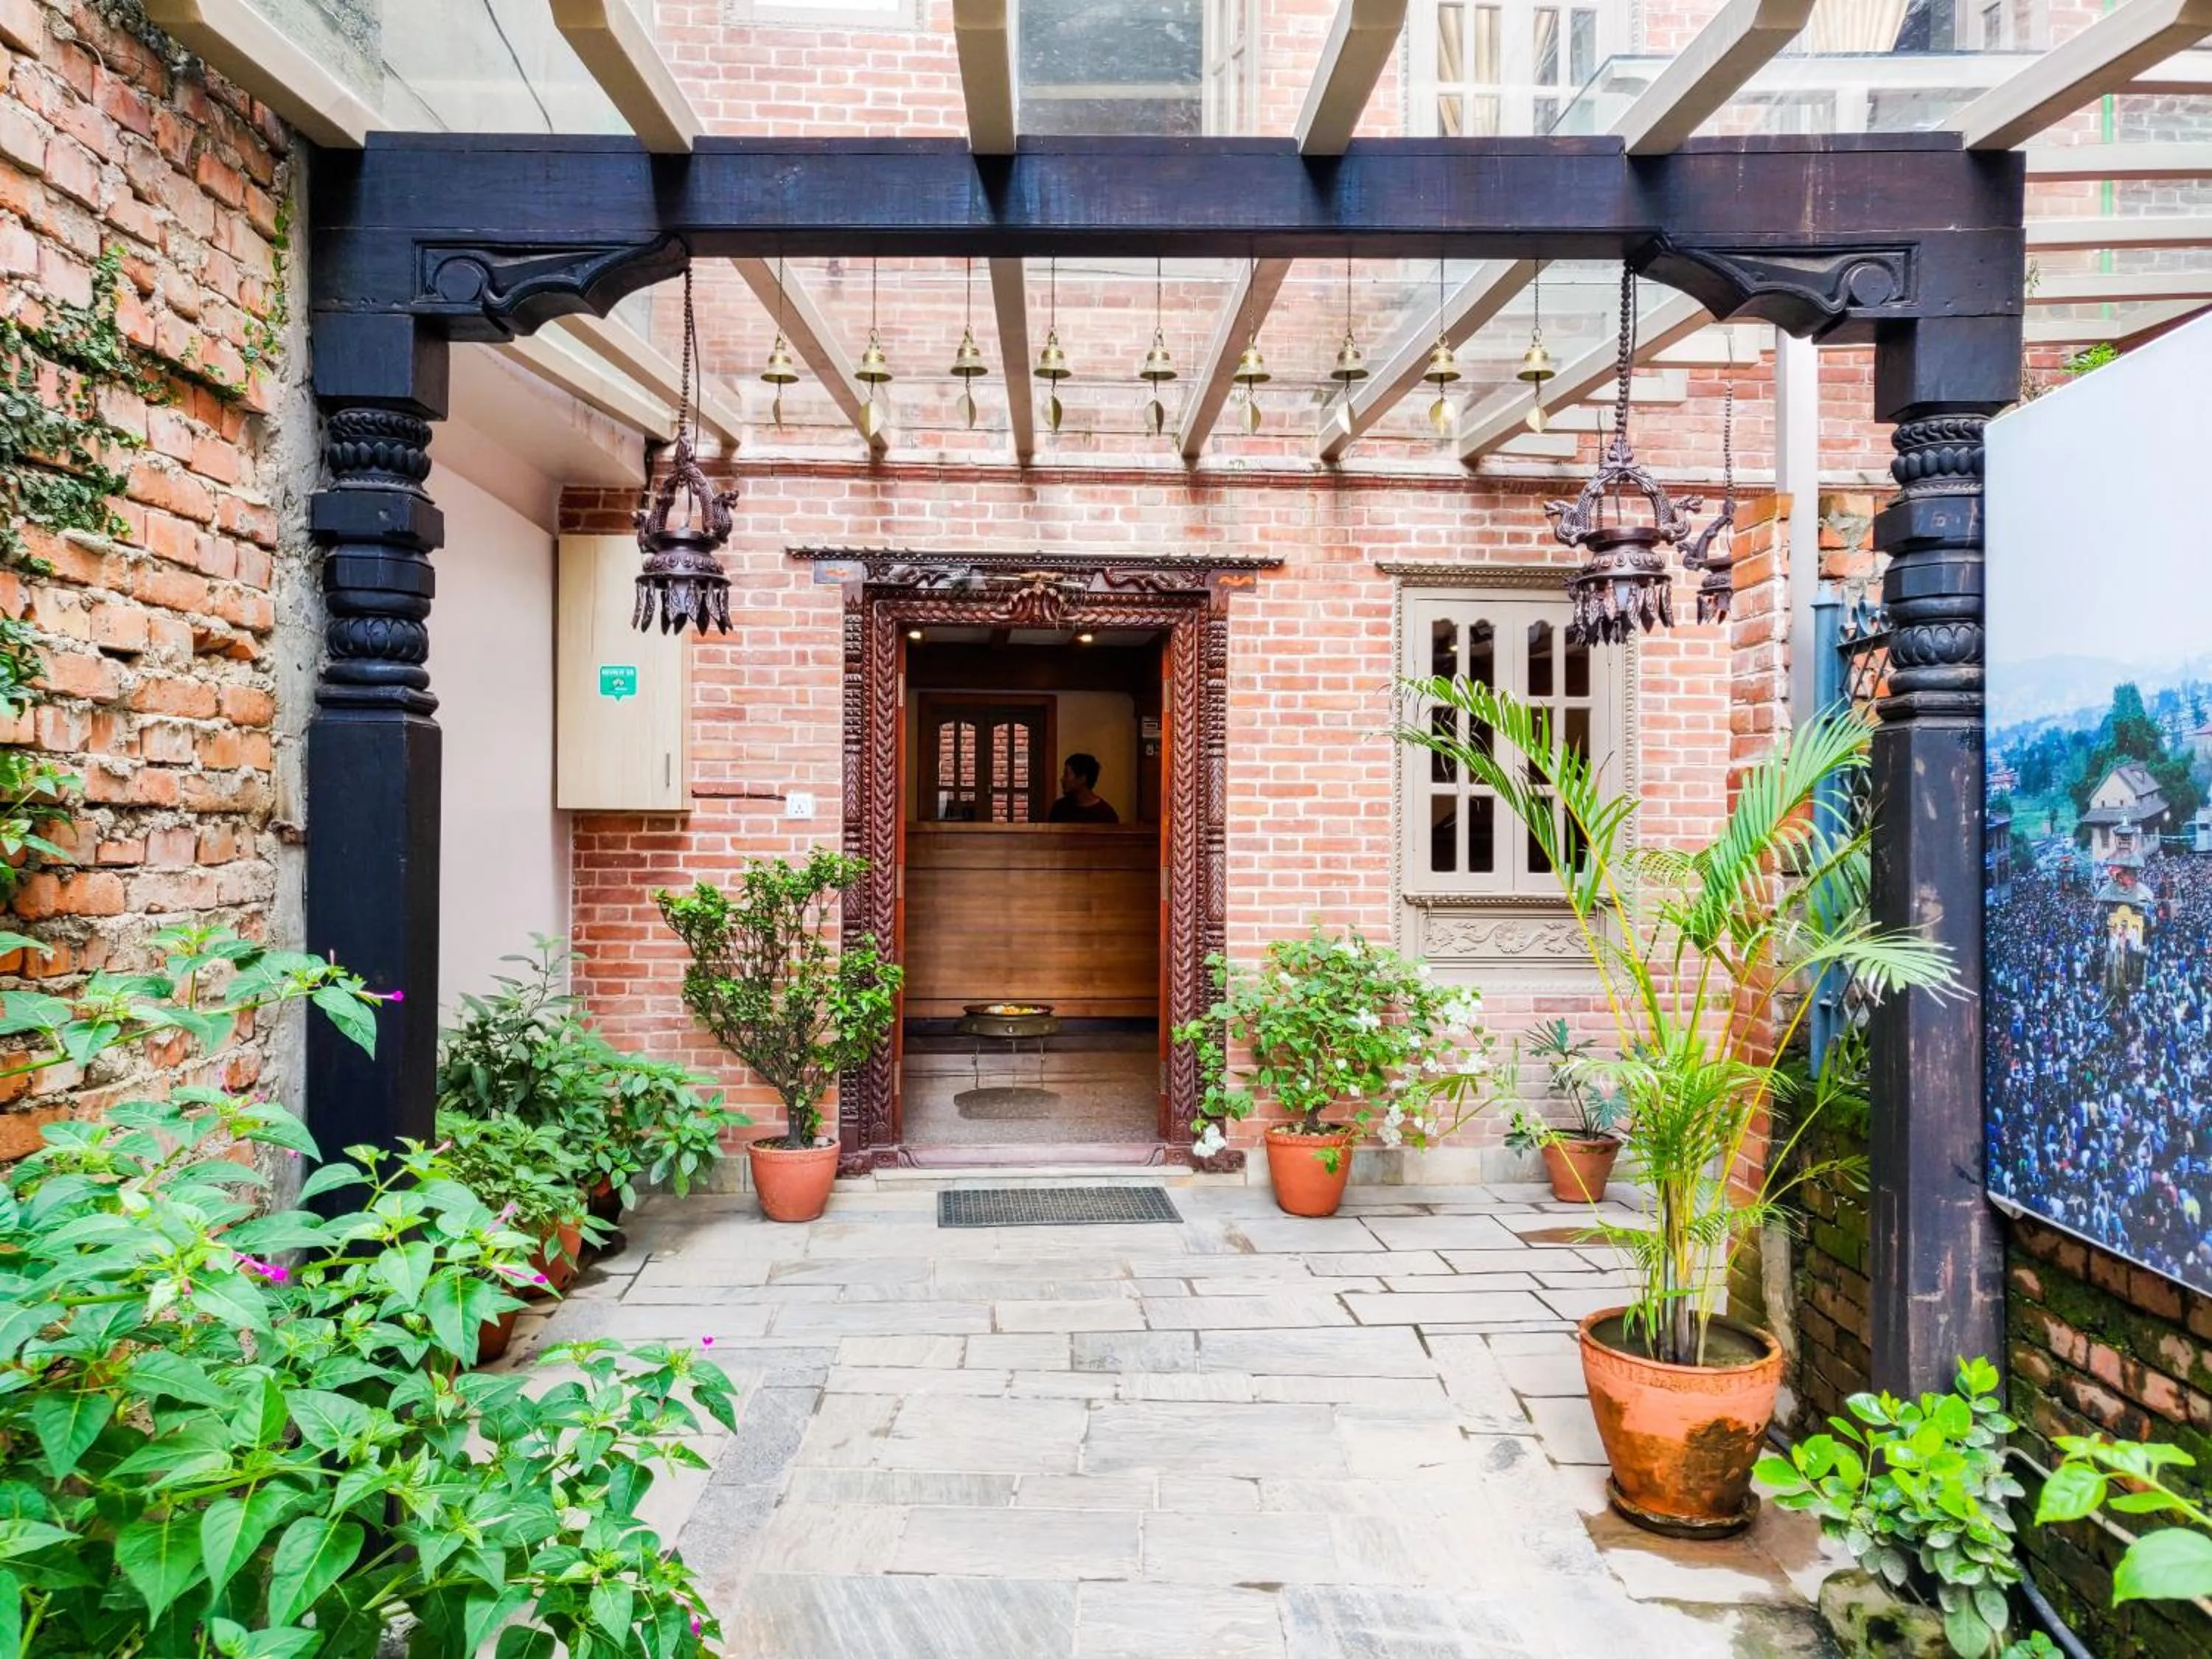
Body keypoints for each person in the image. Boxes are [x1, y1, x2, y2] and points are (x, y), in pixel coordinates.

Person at [1048, 752, 1119, 823]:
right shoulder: (1059, 808)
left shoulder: (1106, 814)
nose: (1062, 780)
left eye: (1066, 775)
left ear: (1082, 779)